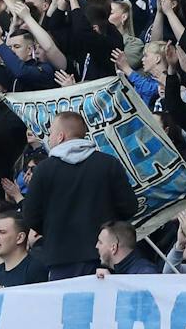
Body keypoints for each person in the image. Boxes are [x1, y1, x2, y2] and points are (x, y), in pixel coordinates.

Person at [20, 111, 139, 281]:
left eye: (51, 133)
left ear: (60, 136)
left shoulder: (44, 170)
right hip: (104, 257)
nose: (49, 138)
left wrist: (54, 231)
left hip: (60, 258)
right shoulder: (108, 164)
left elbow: (30, 215)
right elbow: (129, 207)